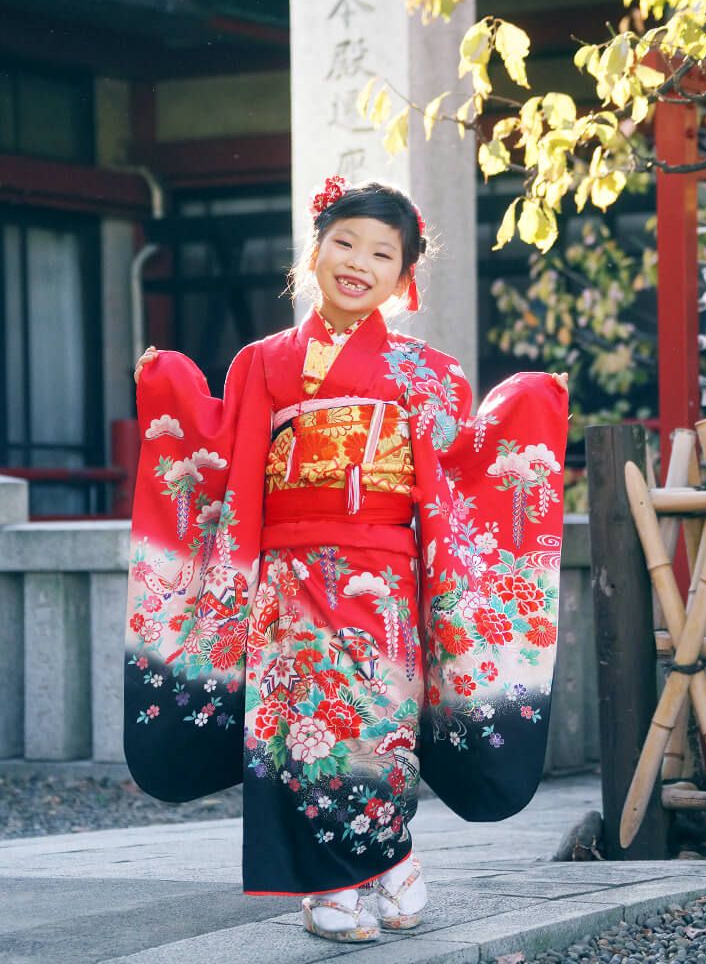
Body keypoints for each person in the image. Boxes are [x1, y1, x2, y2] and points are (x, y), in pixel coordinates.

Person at [127, 176, 569, 943]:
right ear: (316, 249)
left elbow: (463, 466)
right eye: (345, 242)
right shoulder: (262, 361)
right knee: (300, 727)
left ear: (404, 278)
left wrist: (532, 396)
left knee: (378, 723)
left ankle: (387, 855)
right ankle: (335, 883)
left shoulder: (430, 375)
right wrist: (165, 380)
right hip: (285, 575)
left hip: (385, 576)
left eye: (381, 253)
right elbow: (220, 447)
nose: (358, 262)